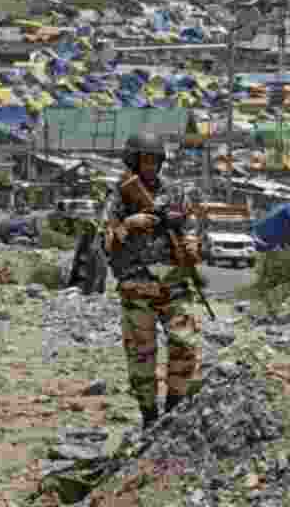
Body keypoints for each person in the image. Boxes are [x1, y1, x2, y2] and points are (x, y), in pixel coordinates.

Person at [102, 133, 203, 431]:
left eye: (155, 160)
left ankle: (174, 406)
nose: (150, 165)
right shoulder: (119, 195)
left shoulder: (175, 193)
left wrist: (192, 243)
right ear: (133, 160)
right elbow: (104, 240)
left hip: (173, 284)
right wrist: (128, 225)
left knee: (185, 344)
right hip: (137, 287)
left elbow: (191, 224)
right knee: (141, 354)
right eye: (145, 159)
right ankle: (149, 415)